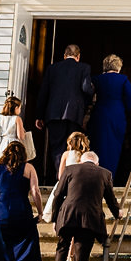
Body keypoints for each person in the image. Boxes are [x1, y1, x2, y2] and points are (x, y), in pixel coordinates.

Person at [47, 139, 122, 261]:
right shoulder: (105, 174)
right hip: (89, 222)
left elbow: (58, 194)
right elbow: (111, 200)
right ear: (96, 163)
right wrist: (117, 213)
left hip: (68, 216)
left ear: (82, 161)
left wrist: (56, 218)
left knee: (62, 247)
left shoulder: (71, 170)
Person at [32, 42, 95, 180]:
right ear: (78, 56)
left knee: (57, 147)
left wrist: (39, 115)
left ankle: (60, 178)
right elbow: (86, 89)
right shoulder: (84, 68)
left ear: (65, 55)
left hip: (53, 114)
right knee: (74, 146)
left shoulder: (52, 68)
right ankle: (72, 179)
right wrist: (91, 94)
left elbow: (44, 92)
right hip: (74, 113)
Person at [84, 53, 131, 178]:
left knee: (97, 146)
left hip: (100, 115)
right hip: (117, 117)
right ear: (119, 67)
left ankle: (95, 176)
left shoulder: (96, 79)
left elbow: (88, 96)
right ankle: (109, 177)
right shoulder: (123, 79)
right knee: (113, 149)